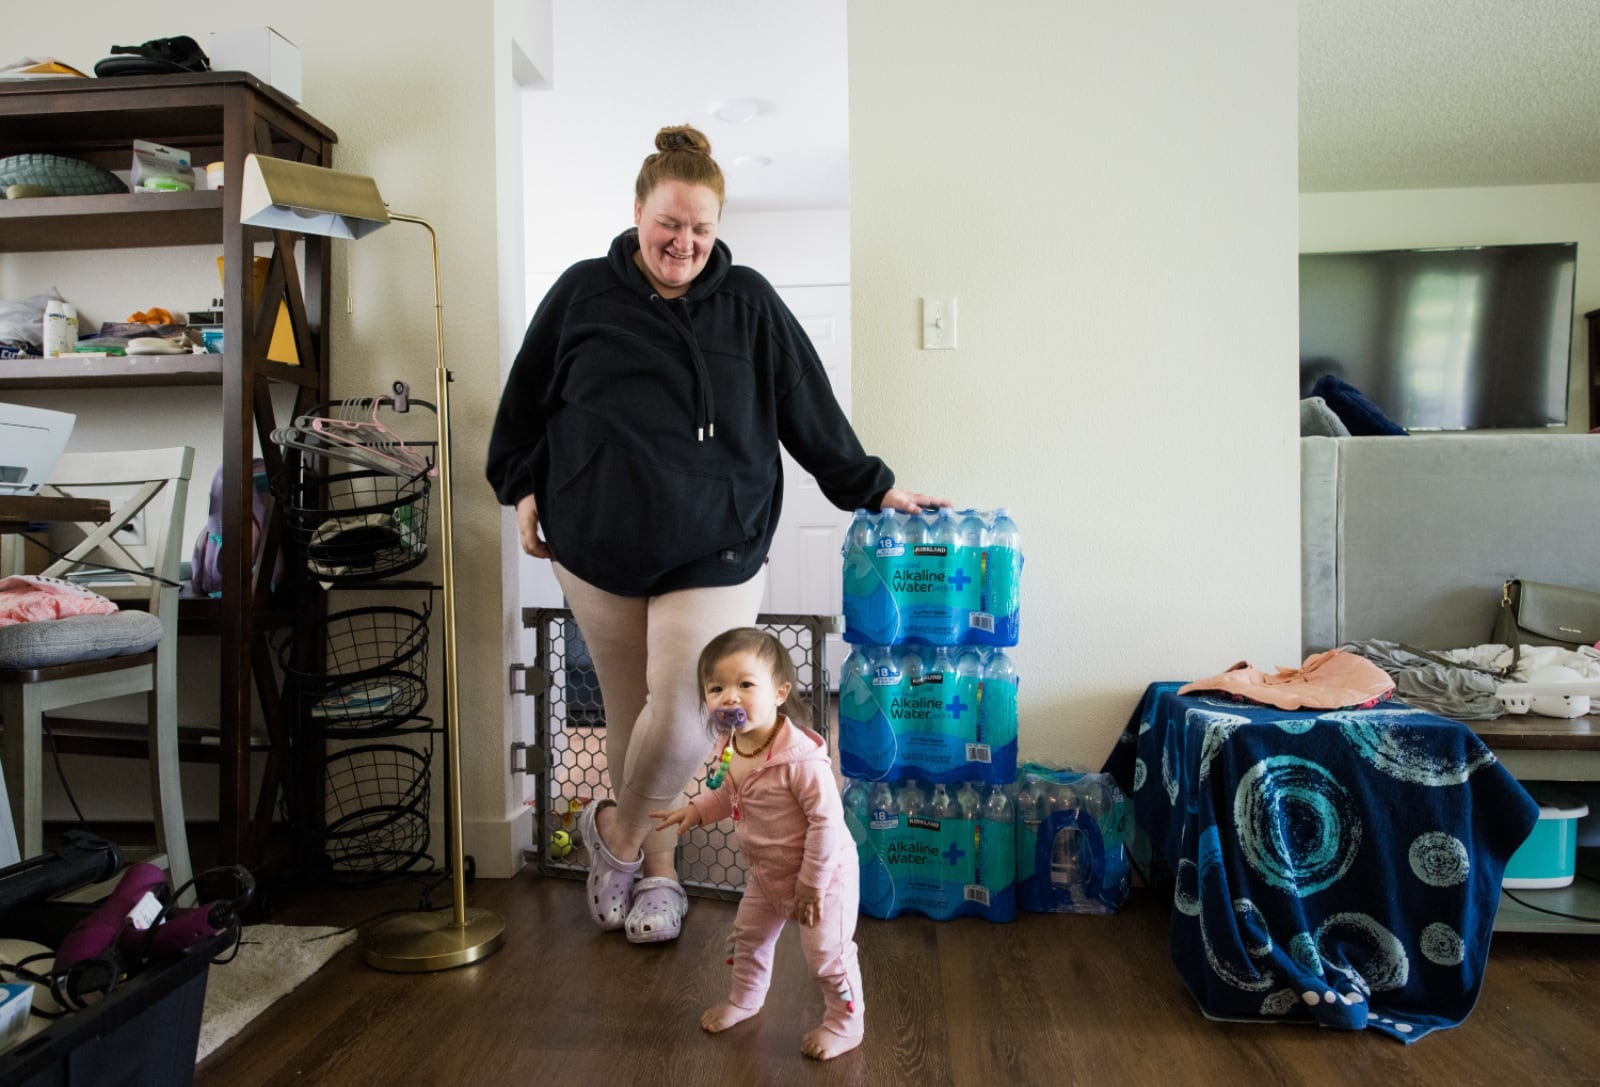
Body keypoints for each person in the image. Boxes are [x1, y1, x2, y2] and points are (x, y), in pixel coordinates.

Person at [486, 123, 945, 946]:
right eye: (670, 223)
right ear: (637, 212)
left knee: (688, 718)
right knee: (635, 718)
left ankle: (617, 839)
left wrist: (872, 486)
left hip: (717, 540)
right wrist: (519, 484)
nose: (684, 242)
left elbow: (809, 406)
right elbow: (524, 401)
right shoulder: (581, 293)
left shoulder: (750, 303)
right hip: (597, 542)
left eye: (701, 228)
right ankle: (657, 874)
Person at [652, 627, 864, 1061]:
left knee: (826, 955)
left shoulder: (800, 760)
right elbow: (728, 794)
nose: (730, 697)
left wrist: (811, 883)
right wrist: (693, 812)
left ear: (780, 692)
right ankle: (745, 999)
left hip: (824, 876)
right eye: (716, 688)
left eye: (745, 685)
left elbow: (826, 822)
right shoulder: (731, 747)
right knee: (746, 937)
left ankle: (847, 1024)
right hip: (768, 874)